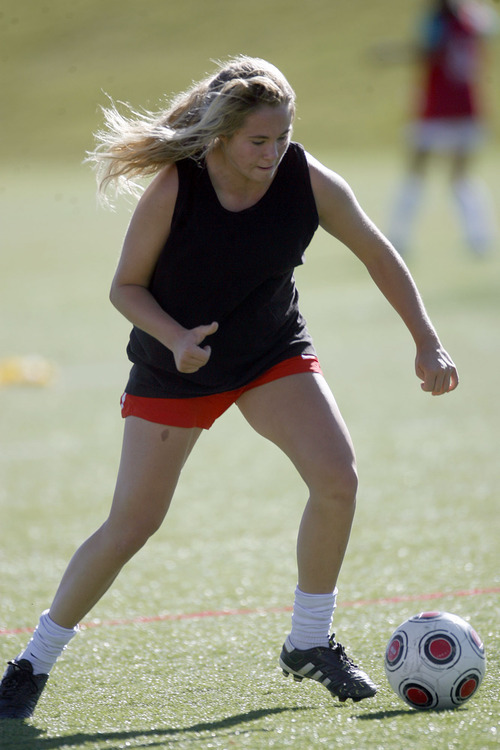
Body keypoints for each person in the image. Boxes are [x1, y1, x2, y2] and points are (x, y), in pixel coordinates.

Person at [0, 55, 459, 720]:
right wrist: (178, 339)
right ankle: (31, 661)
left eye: (283, 138)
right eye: (258, 142)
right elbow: (124, 287)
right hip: (175, 367)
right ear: (221, 137)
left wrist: (426, 339)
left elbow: (376, 249)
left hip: (270, 352)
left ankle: (309, 640)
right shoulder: (176, 188)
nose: (273, 154)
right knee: (134, 522)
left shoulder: (306, 178)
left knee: (338, 478)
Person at [388, 0, 497, 256]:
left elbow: (426, 51)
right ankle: (479, 237)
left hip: (437, 108)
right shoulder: (476, 17)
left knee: (416, 173)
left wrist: (391, 53)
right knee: (461, 177)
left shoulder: (438, 19)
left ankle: (398, 235)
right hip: (467, 107)